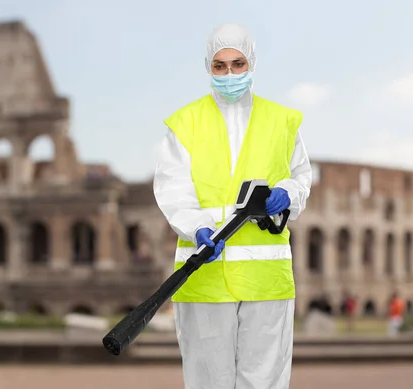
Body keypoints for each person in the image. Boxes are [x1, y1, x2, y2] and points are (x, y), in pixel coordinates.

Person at [153, 23, 312, 389]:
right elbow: (172, 187)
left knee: (264, 381)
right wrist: (195, 228)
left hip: (265, 279)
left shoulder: (284, 121)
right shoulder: (185, 123)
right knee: (209, 381)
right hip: (205, 269)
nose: (229, 74)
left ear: (251, 63)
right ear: (208, 67)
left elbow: (301, 174)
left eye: (237, 64)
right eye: (220, 66)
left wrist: (288, 193)